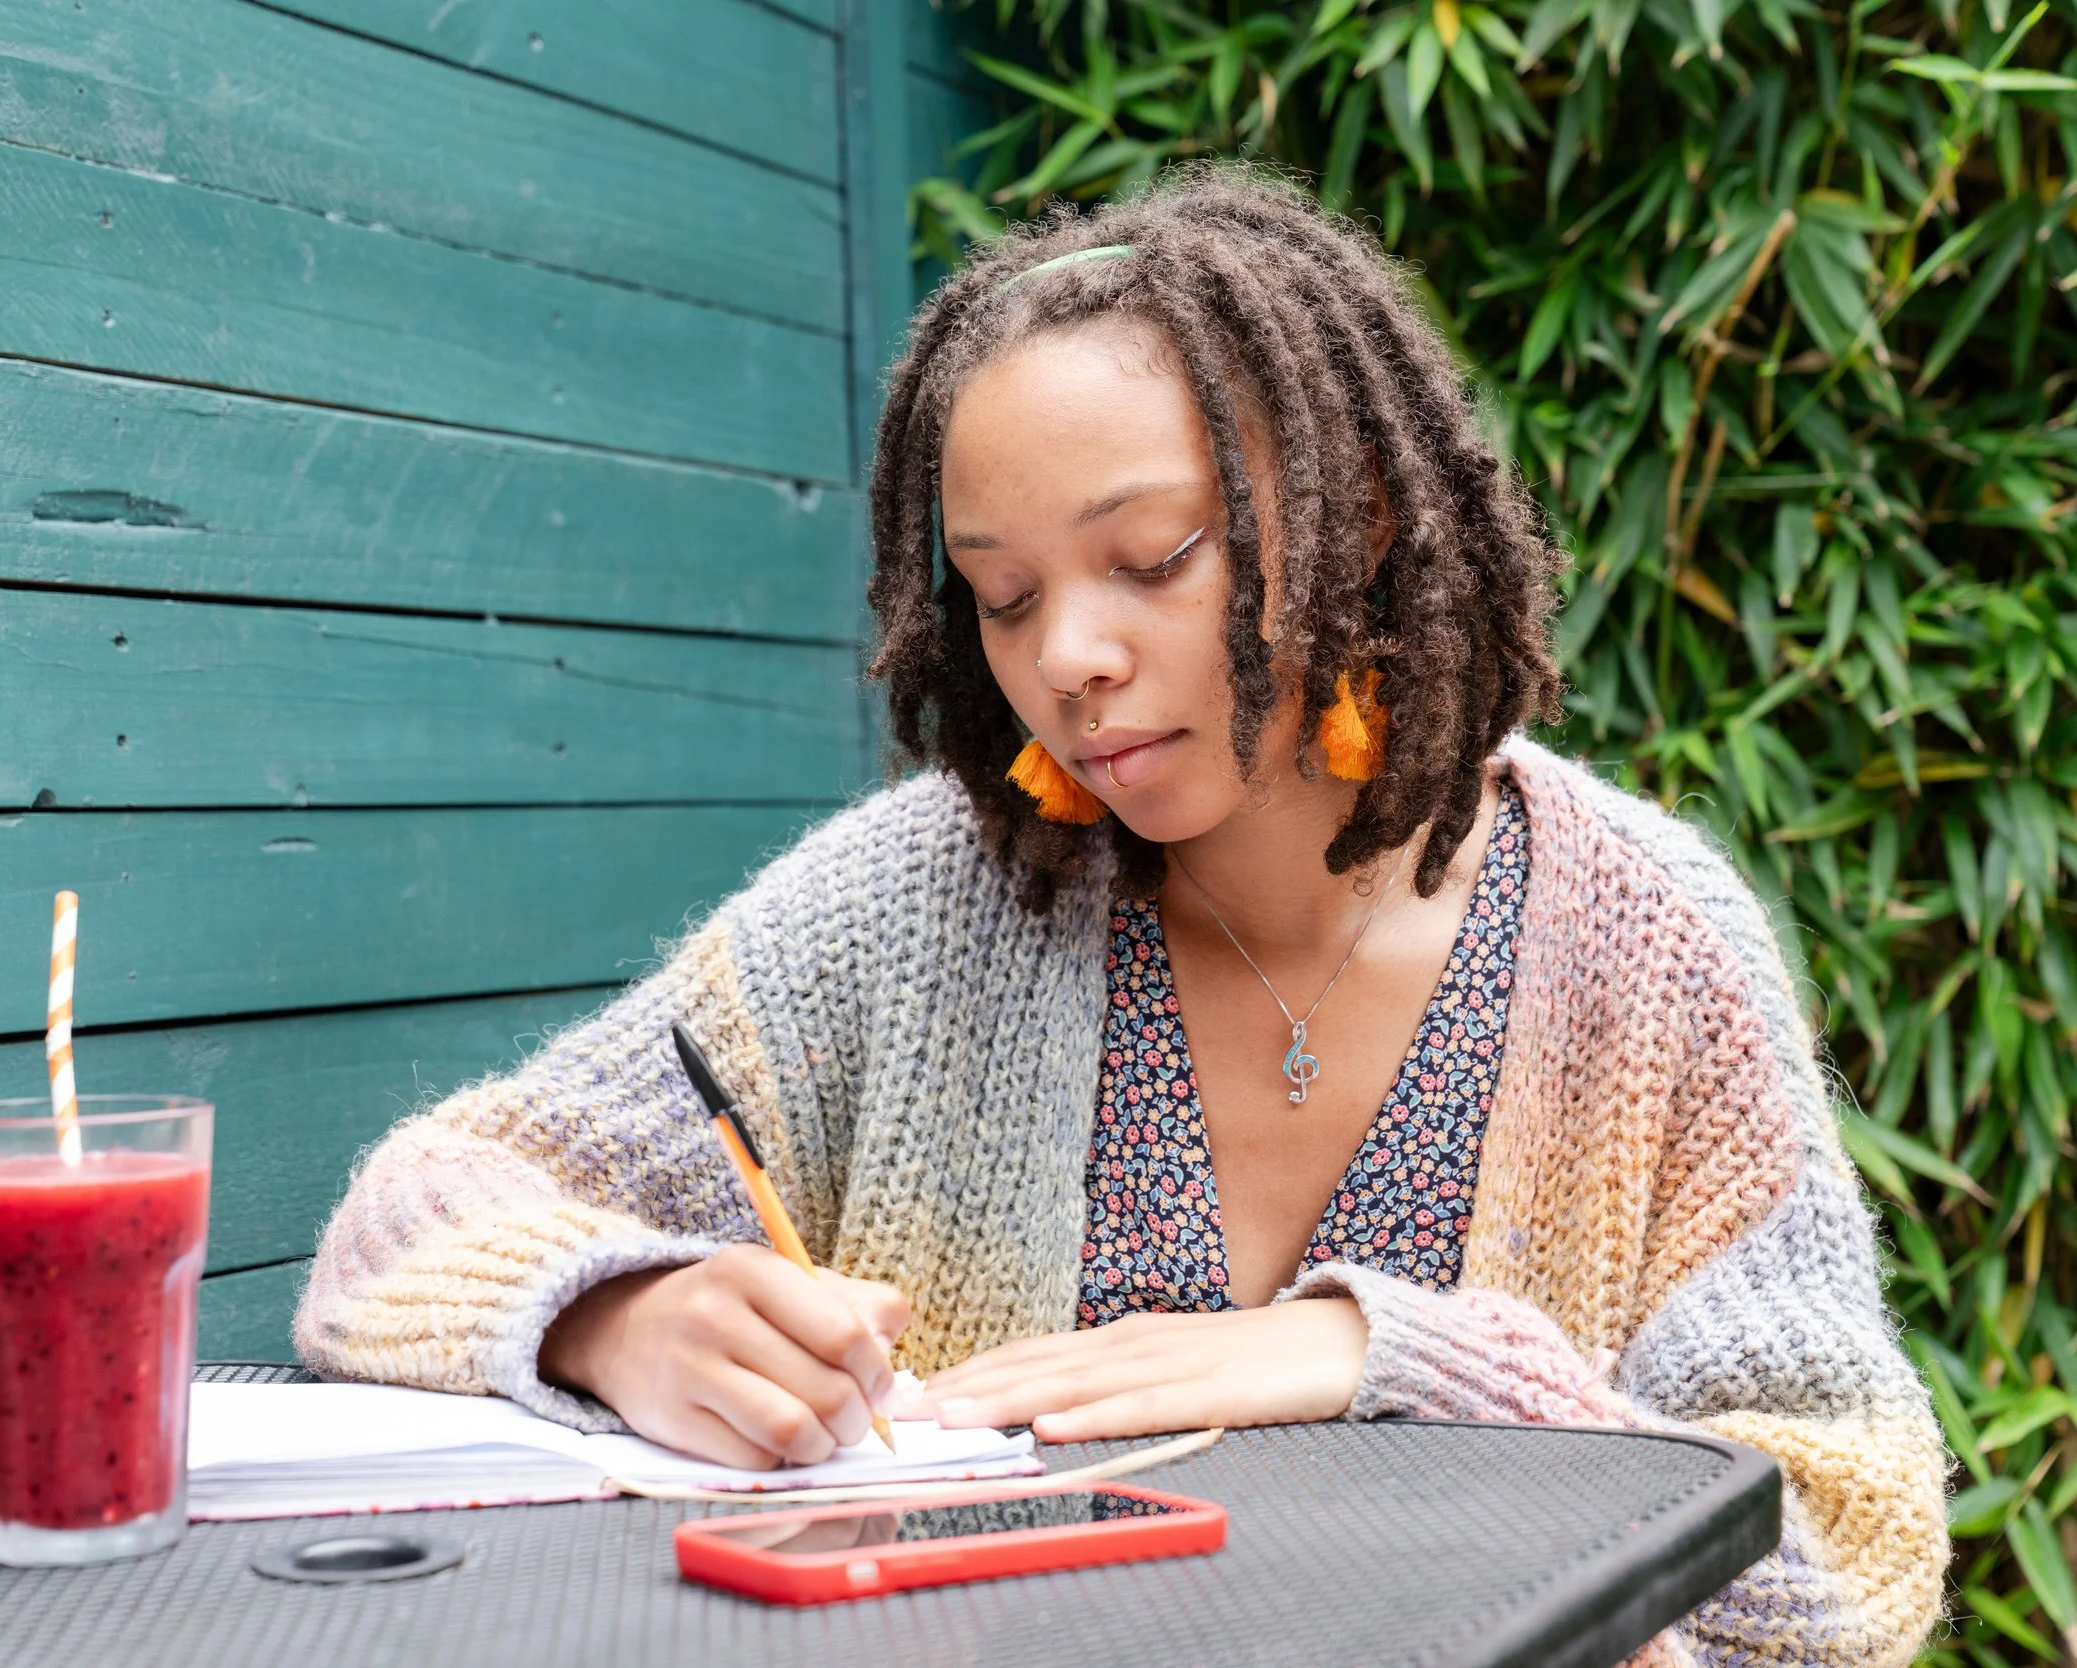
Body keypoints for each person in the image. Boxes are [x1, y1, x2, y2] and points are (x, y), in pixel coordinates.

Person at [297, 166, 1947, 1661]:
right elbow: (409, 1223)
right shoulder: (913, 907)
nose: (1066, 658)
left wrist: (1401, 1364)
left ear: (1361, 515)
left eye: (1150, 556)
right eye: (1002, 597)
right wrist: (615, 1312)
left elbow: (1848, 1559)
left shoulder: (1645, 946)